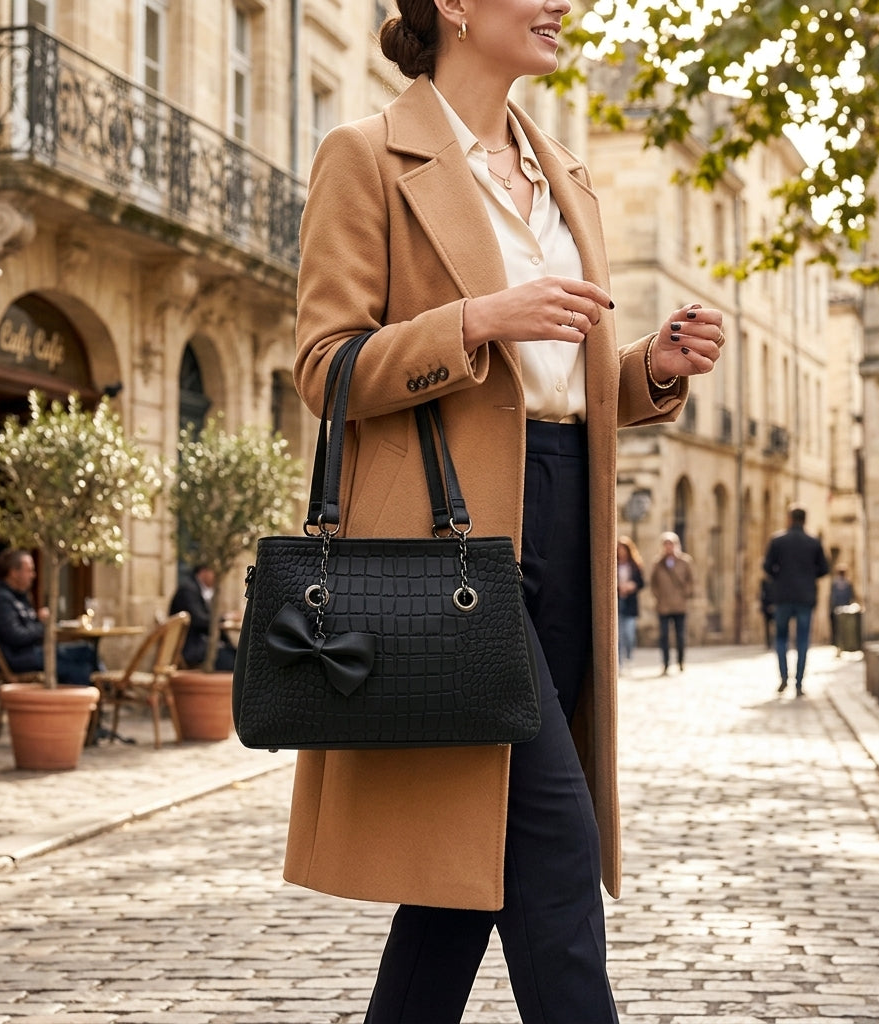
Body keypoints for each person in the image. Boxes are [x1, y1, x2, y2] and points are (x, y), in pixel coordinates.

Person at [288, 4, 725, 1021]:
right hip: (447, 540)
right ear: (452, 5)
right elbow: (324, 367)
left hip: (567, 510)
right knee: (556, 838)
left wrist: (650, 369)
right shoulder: (364, 154)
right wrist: (475, 320)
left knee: (472, 869)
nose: (561, 4)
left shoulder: (564, 174)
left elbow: (558, 384)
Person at [0, 548, 99, 685]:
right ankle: (104, 690)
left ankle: (105, 689)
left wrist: (37, 621)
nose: (33, 575)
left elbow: (26, 628)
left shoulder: (21, 596)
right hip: (20, 658)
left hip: (33, 653)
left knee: (86, 650)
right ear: (14, 573)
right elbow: (16, 636)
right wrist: (42, 625)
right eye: (29, 570)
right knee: (79, 667)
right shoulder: (0, 599)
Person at [762, 504, 830, 696]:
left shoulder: (778, 541)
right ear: (805, 520)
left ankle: (784, 677)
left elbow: (767, 567)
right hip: (805, 597)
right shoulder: (813, 542)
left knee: (781, 638)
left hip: (783, 596)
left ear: (790, 519)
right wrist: (809, 576)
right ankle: (799, 682)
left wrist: (779, 576)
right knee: (802, 640)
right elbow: (824, 569)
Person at [168, 565, 236, 672]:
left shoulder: (196, 589)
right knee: (233, 660)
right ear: (204, 571)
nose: (216, 577)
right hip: (192, 648)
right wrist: (224, 618)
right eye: (214, 572)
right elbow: (199, 620)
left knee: (236, 653)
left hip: (200, 644)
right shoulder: (188, 590)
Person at [649, 531, 695, 675]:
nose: (669, 547)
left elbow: (691, 581)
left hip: (680, 605)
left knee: (680, 635)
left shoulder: (685, 561)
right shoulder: (658, 563)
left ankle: (681, 661)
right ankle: (666, 663)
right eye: (666, 544)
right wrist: (658, 596)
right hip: (663, 605)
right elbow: (653, 583)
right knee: (664, 636)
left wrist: (685, 594)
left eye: (671, 544)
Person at [616, 536, 644, 670]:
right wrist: (618, 587)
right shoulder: (614, 565)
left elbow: (641, 583)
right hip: (618, 601)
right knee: (618, 634)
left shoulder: (634, 565)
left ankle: (629, 656)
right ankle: (619, 662)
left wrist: (632, 586)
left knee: (629, 633)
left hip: (630, 603)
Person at [828, 564, 855, 645]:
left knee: (840, 627)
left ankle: (840, 643)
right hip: (839, 609)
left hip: (841, 609)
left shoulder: (844, 584)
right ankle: (838, 643)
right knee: (838, 627)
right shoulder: (839, 584)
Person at [760, 575, 776, 650]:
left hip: (775, 606)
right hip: (767, 607)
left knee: (778, 626)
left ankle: (774, 642)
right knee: (767, 626)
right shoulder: (764, 583)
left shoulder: (777, 581)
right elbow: (763, 595)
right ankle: (768, 643)